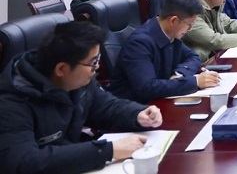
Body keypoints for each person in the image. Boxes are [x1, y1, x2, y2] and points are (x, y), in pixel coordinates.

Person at [0, 22, 163, 174]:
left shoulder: (77, 80)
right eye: (93, 62)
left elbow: (106, 107)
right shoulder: (11, 102)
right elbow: (24, 162)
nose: (97, 67)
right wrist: (107, 151)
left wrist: (137, 114)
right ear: (61, 69)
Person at [107, 0, 221, 103]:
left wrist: (179, 75)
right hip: (135, 107)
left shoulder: (171, 34)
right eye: (189, 25)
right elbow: (147, 88)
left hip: (160, 101)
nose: (189, 29)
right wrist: (195, 82)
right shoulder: (139, 43)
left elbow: (193, 57)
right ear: (174, 21)